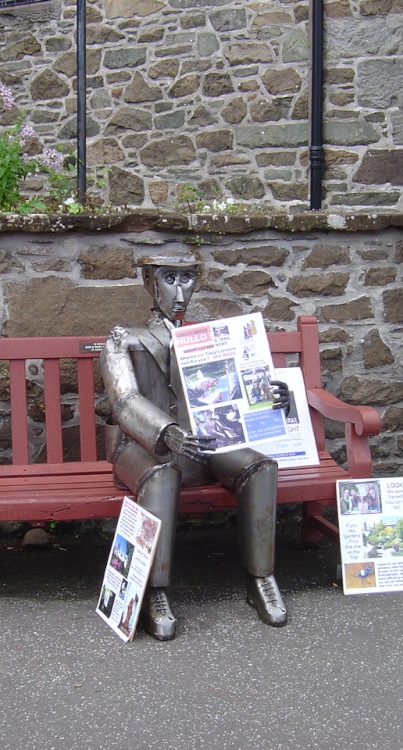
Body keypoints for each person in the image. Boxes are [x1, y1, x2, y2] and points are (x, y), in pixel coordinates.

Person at [101, 250, 290, 640]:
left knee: (260, 466)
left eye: (187, 278)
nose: (180, 289)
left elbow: (235, 393)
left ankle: (262, 576)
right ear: (149, 282)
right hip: (140, 443)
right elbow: (124, 402)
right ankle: (155, 589)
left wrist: (272, 394)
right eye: (169, 278)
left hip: (202, 438)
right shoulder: (123, 338)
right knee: (161, 474)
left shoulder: (209, 339)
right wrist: (166, 431)